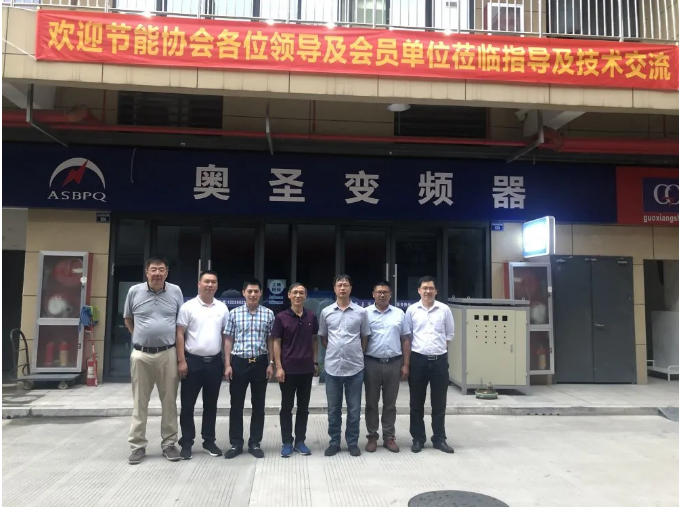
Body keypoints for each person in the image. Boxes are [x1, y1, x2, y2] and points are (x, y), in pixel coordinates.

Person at [124, 256, 184, 465]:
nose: (157, 273)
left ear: (167, 272)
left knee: (169, 401)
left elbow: (180, 323)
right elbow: (128, 318)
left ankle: (169, 444)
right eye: (153, 269)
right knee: (140, 402)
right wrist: (140, 337)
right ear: (146, 272)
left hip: (168, 353)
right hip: (141, 355)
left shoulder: (176, 291)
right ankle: (137, 446)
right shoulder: (134, 291)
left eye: (161, 270)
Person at [176, 270, 229, 460]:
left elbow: (225, 337)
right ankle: (187, 442)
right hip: (192, 362)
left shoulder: (222, 308)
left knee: (211, 405)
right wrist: (181, 360)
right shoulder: (188, 307)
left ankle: (209, 441)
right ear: (199, 284)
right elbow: (179, 333)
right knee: (188, 405)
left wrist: (226, 363)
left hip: (214, 362)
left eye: (213, 282)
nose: (210, 285)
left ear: (217, 285)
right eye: (206, 281)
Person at [223, 279, 275, 459]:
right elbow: (228, 339)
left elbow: (271, 340)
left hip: (260, 362)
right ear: (243, 293)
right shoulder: (234, 314)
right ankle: (236, 443)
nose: (253, 294)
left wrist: (271, 363)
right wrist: (227, 364)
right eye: (249, 291)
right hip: (239, 363)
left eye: (256, 291)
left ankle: (255, 443)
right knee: (236, 405)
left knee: (258, 405)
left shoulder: (268, 314)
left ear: (261, 293)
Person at [319, 274, 370, 457]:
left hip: (355, 368)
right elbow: (323, 337)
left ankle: (352, 442)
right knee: (333, 409)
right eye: (339, 285)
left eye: (345, 285)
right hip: (333, 368)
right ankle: (334, 442)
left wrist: (356, 352)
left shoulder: (361, 312)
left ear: (350, 288)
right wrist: (335, 350)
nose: (342, 288)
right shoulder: (326, 312)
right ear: (334, 288)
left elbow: (364, 337)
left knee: (354, 409)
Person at [405, 276, 455, 454]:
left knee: (439, 403)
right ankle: (418, 439)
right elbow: (408, 336)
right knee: (416, 403)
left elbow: (449, 335)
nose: (428, 291)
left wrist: (438, 351)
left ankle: (439, 439)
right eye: (424, 288)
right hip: (418, 360)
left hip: (439, 361)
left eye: (431, 288)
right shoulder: (412, 310)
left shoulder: (444, 309)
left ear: (436, 291)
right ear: (419, 290)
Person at [272, 282, 319, 458]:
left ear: (305, 296)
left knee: (303, 407)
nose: (298, 296)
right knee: (286, 407)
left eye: (301, 293)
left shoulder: (311, 316)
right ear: (289, 295)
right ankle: (287, 442)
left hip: (306, 369)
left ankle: (300, 441)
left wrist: (315, 363)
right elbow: (276, 342)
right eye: (295, 292)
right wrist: (278, 367)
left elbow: (314, 340)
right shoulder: (281, 317)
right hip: (288, 370)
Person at [364, 281, 411, 453]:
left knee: (390, 403)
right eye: (379, 292)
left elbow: (405, 339)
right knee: (371, 402)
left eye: (385, 292)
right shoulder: (365, 313)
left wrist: (406, 364)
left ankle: (389, 436)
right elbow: (362, 338)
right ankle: (372, 436)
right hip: (371, 362)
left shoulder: (399, 314)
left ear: (390, 294)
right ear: (373, 294)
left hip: (393, 363)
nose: (382, 295)